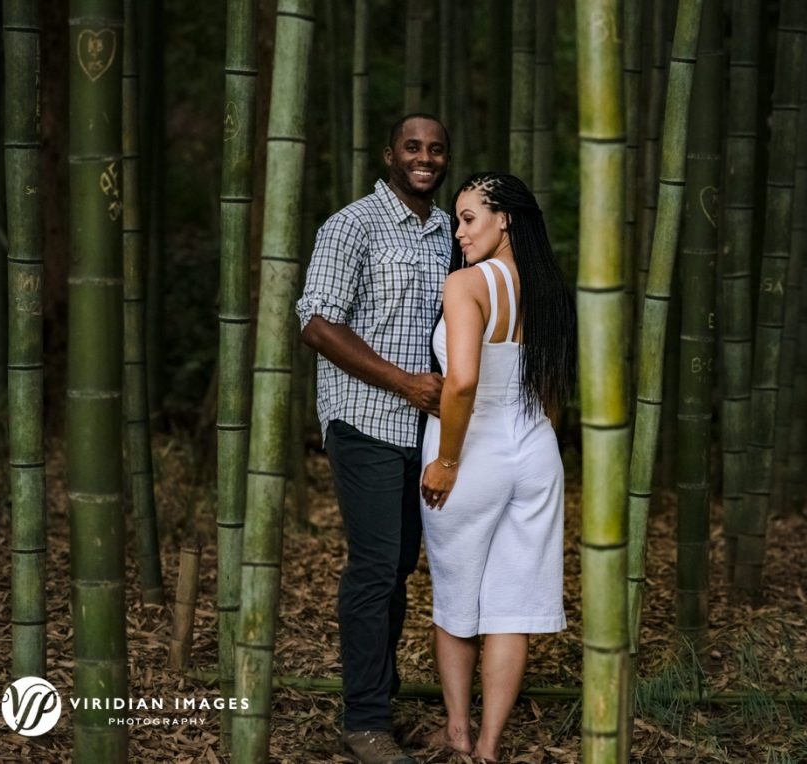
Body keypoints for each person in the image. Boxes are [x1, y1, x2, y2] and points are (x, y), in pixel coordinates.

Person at [296, 113, 452, 764]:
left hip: (425, 429)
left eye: (436, 149)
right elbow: (317, 323)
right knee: (375, 566)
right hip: (363, 417)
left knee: (398, 569)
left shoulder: (448, 232)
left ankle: (378, 700)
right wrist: (404, 383)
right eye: (412, 147)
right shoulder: (351, 225)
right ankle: (363, 722)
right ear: (390, 154)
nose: (425, 158)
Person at [417, 172, 576, 761]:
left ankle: (458, 731)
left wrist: (447, 460)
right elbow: (551, 388)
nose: (458, 233)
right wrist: (534, 444)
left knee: (457, 598)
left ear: (504, 219)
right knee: (512, 606)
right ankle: (488, 747)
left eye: (468, 218)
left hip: (472, 451)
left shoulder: (467, 284)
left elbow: (461, 382)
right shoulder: (548, 288)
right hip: (534, 449)